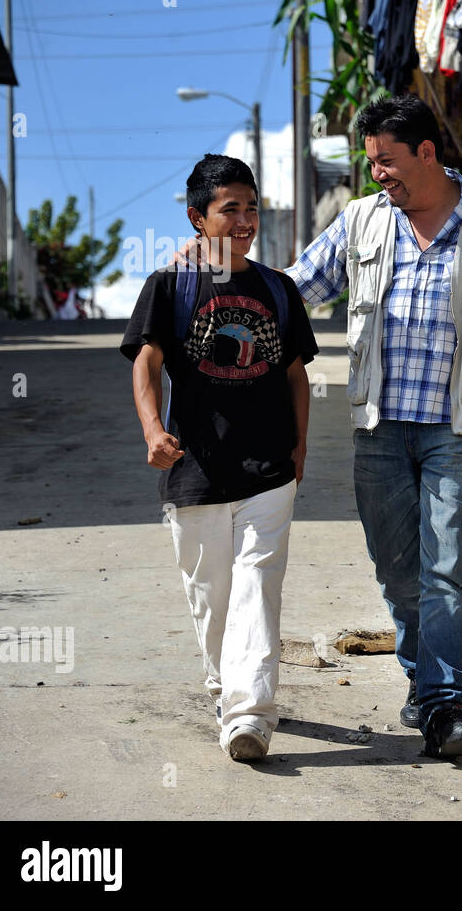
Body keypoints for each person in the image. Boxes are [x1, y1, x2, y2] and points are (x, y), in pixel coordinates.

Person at [289, 95, 462, 758]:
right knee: (397, 568)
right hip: (378, 429)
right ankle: (424, 678)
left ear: (428, 152)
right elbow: (293, 288)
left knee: (448, 567)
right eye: (371, 161)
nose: (378, 173)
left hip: (459, 430)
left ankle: (444, 703)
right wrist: (218, 279)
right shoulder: (360, 222)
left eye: (388, 161)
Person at [121, 154, 318, 762]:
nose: (244, 220)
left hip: (267, 468)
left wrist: (300, 443)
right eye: (229, 209)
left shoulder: (279, 289)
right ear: (196, 218)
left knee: (259, 585)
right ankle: (224, 684)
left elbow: (295, 377)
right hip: (196, 468)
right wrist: (154, 430)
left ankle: (249, 716)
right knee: (212, 596)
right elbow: (146, 364)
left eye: (251, 207)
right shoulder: (169, 287)